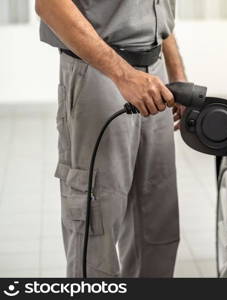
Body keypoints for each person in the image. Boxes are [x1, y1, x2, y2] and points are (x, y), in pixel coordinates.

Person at [35, 0, 186, 278]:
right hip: (99, 71)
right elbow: (49, 4)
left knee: (156, 222)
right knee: (97, 223)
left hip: (156, 74)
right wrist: (123, 75)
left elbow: (158, 11)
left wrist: (177, 74)